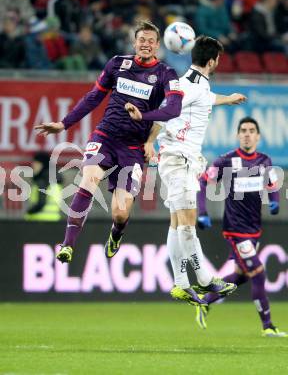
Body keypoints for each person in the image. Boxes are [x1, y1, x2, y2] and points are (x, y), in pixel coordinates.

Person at [35, 20, 189, 277]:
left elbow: (174, 109)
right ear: (134, 42)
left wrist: (143, 117)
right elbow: (93, 97)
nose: (146, 44)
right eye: (142, 40)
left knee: (120, 212)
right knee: (89, 177)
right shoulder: (118, 63)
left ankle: (116, 234)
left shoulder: (166, 74)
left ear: (158, 45)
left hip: (133, 148)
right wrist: (63, 124)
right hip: (105, 136)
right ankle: (67, 244)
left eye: (151, 40)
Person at [126, 35, 246, 307]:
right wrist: (148, 141)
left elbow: (202, 99)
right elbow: (166, 110)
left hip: (180, 159)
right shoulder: (190, 86)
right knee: (188, 221)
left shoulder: (195, 84)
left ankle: (180, 283)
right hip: (180, 158)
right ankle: (204, 278)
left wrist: (227, 99)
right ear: (213, 61)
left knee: (177, 222)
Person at [196, 117, 287, 337]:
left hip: (254, 229)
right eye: (243, 130)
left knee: (241, 274)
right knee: (257, 272)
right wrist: (202, 212)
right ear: (238, 135)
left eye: (251, 130)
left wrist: (274, 200)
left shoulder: (264, 161)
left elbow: (272, 185)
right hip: (235, 229)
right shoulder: (226, 160)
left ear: (258, 136)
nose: (247, 134)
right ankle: (268, 326)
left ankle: (205, 301)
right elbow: (202, 182)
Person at [24, 152, 63, 221]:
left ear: (42, 165)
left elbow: (41, 202)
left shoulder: (42, 180)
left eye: (36, 163)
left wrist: (29, 212)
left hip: (38, 220)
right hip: (54, 219)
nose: (33, 166)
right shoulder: (55, 181)